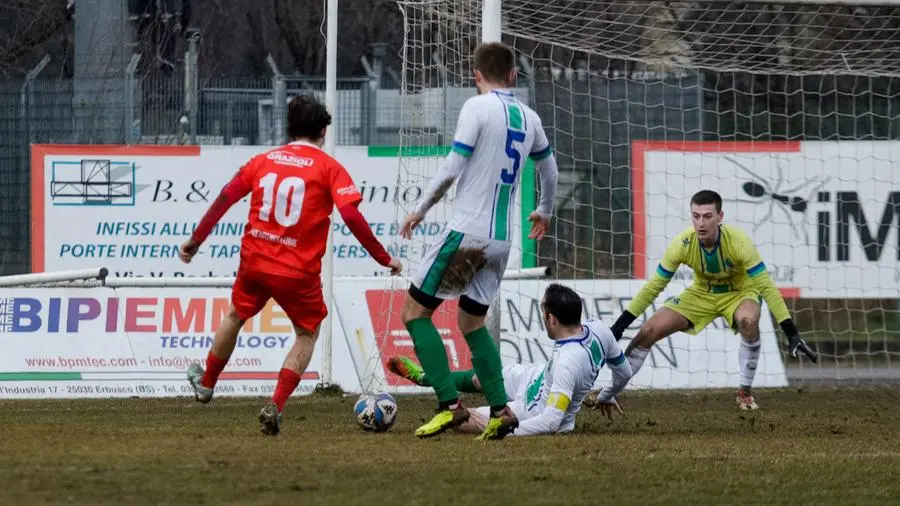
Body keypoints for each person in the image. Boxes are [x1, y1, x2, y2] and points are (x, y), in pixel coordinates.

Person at [179, 93, 402, 436]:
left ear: (289, 127)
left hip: (255, 261)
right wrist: (383, 257)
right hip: (297, 271)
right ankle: (276, 404)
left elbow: (226, 196)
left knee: (235, 317)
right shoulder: (330, 168)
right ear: (323, 132)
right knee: (306, 333)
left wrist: (196, 240)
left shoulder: (262, 161)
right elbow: (351, 216)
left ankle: (207, 384)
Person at [398, 41, 559, 440]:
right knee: (472, 322)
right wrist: (545, 210)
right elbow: (550, 170)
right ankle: (501, 410)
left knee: (414, 315)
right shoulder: (530, 118)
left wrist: (420, 208)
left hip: (467, 233)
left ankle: (450, 405)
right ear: (512, 75)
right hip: (503, 240)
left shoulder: (476, 107)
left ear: (476, 76)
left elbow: (453, 166)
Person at [609, 189, 817, 410]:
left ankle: (744, 392)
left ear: (720, 217)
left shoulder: (739, 243)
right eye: (696, 216)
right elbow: (653, 287)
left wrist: (791, 333)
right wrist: (619, 327)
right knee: (649, 330)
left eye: (707, 216)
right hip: (701, 294)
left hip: (740, 293)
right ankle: (610, 393)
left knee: (748, 320)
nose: (701, 223)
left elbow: (766, 287)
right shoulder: (682, 244)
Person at [387, 283, 633, 436]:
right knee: (482, 379)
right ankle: (423, 377)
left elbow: (552, 419)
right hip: (536, 377)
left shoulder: (567, 362)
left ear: (552, 319)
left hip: (529, 410)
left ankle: (443, 396)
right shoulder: (598, 329)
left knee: (461, 421)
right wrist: (607, 395)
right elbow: (625, 373)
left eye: (543, 313)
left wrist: (509, 429)